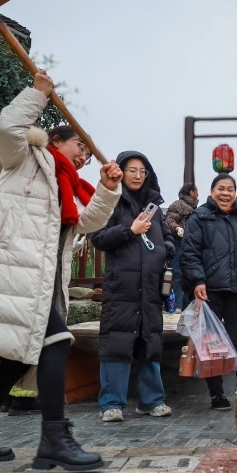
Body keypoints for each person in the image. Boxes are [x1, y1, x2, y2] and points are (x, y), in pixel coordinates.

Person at [0, 70, 122, 472]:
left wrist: (107, 189)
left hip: (41, 282)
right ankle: (53, 439)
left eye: (88, 154)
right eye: (80, 146)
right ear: (55, 140)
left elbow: (87, 222)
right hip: (9, 274)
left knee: (18, 360)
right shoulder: (24, 159)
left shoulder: (68, 186)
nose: (84, 157)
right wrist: (36, 95)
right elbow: (6, 128)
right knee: (56, 342)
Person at [91, 151, 174, 423]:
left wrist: (166, 249)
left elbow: (166, 234)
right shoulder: (111, 200)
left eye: (142, 171)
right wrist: (130, 230)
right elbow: (98, 237)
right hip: (122, 287)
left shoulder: (154, 206)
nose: (138, 176)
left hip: (150, 287)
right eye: (132, 170)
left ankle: (152, 401)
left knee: (150, 343)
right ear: (121, 172)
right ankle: (111, 404)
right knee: (117, 342)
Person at [181, 174, 237, 410]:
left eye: (230, 189)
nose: (225, 193)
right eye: (221, 188)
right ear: (212, 191)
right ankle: (216, 394)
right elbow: (189, 253)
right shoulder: (199, 217)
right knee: (211, 344)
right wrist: (197, 281)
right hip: (209, 291)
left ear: (235, 193)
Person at [165, 183, 198, 312]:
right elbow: (169, 220)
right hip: (178, 242)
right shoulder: (178, 204)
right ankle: (177, 305)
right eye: (196, 191)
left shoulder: (192, 207)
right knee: (178, 273)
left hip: (189, 243)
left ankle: (185, 305)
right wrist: (177, 228)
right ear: (191, 192)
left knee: (187, 274)